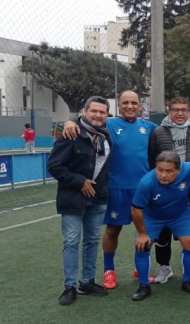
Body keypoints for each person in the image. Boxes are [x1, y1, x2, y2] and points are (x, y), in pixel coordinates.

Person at [61, 90, 163, 289]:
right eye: (125, 102)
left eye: (134, 103)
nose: (130, 106)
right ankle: (109, 270)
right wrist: (68, 122)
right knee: (113, 230)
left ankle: (140, 267)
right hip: (115, 188)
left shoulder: (150, 127)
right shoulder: (109, 123)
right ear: (119, 105)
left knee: (143, 231)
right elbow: (85, 121)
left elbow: (172, 126)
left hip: (142, 189)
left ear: (140, 106)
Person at [47, 96, 112, 305]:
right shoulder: (71, 133)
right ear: (85, 111)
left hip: (98, 198)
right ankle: (69, 287)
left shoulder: (106, 135)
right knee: (71, 242)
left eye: (102, 112)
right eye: (94, 111)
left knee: (92, 240)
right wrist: (79, 181)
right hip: (73, 198)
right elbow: (54, 166)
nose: (98, 115)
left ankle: (87, 281)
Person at [148, 97, 190, 283]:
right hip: (164, 188)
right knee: (163, 230)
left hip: (189, 186)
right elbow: (151, 159)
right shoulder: (158, 132)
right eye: (176, 110)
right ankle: (164, 267)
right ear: (168, 111)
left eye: (184, 110)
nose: (180, 113)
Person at [129, 151, 190, 300]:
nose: (163, 175)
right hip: (153, 217)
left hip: (179, 215)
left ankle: (187, 280)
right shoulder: (146, 183)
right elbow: (136, 208)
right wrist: (142, 233)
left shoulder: (188, 169)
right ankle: (144, 285)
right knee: (142, 246)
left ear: (178, 170)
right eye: (159, 170)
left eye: (168, 171)